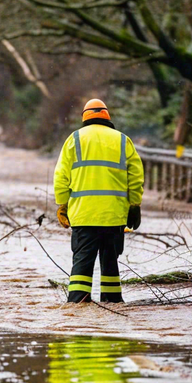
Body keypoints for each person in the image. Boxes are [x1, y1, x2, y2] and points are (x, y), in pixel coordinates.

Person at [53, 99, 144, 303]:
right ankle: (112, 303)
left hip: (84, 216)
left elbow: (60, 176)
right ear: (107, 117)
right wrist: (134, 205)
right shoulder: (122, 140)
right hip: (114, 216)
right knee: (110, 262)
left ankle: (77, 304)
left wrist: (62, 204)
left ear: (84, 117)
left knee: (82, 263)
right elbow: (136, 177)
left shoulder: (74, 139)